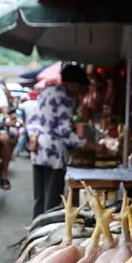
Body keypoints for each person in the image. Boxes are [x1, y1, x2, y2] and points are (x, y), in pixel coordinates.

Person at [26, 64, 91, 217]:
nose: (80, 92)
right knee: (52, 199)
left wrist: (33, 136)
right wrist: (88, 144)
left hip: (39, 150)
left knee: (40, 197)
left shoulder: (46, 92)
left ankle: (36, 229)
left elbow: (33, 120)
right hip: (53, 152)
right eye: (80, 87)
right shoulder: (65, 98)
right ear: (72, 84)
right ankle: (47, 231)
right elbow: (64, 132)